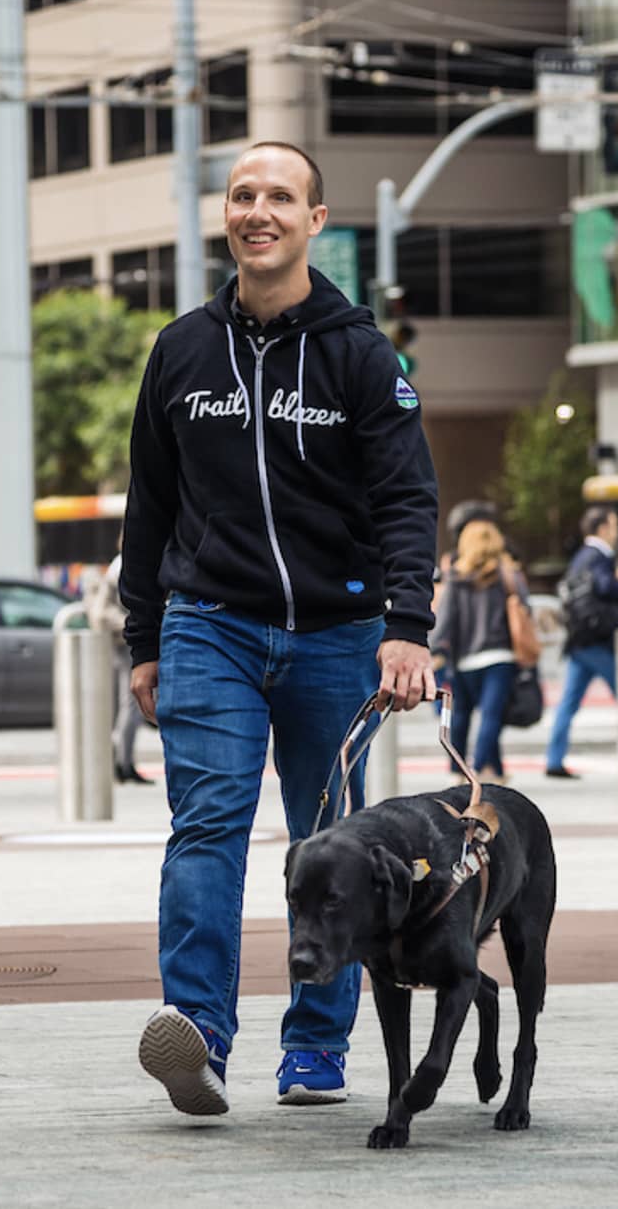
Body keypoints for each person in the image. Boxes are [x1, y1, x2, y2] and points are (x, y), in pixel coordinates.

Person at [121, 140, 439, 1115]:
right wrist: (142, 635)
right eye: (242, 194)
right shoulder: (180, 349)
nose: (257, 210)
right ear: (228, 215)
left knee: (329, 842)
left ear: (314, 219)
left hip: (337, 634)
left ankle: (314, 1042)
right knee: (206, 825)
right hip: (207, 624)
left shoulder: (356, 352)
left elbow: (405, 497)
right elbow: (149, 502)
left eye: (279, 197)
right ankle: (199, 1036)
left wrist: (406, 624)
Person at [430, 518, 530, 782]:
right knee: (491, 715)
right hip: (500, 657)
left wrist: (435, 652)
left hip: (463, 661)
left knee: (460, 716)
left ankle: (458, 772)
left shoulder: (455, 577)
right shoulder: (508, 575)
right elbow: (525, 610)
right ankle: (480, 769)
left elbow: (445, 620)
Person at [544, 507, 618, 779]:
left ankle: (554, 759)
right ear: (603, 529)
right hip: (597, 640)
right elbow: (606, 587)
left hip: (580, 640)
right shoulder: (599, 556)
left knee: (569, 702)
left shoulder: (580, 557)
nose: (617, 531)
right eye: (614, 525)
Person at [86, 546, 148, 784]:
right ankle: (123, 762)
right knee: (131, 705)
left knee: (126, 704)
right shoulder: (124, 564)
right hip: (126, 641)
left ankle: (123, 760)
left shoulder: (117, 564)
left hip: (121, 640)